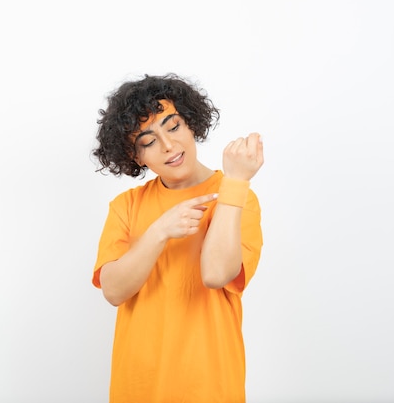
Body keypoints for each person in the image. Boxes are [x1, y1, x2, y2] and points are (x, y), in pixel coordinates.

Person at [91, 73, 264, 403]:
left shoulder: (236, 197)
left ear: (191, 125)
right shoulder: (126, 207)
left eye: (173, 127)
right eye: (148, 141)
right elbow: (113, 291)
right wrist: (160, 231)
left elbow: (215, 274)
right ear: (136, 156)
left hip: (210, 388)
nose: (168, 145)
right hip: (138, 388)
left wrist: (236, 181)